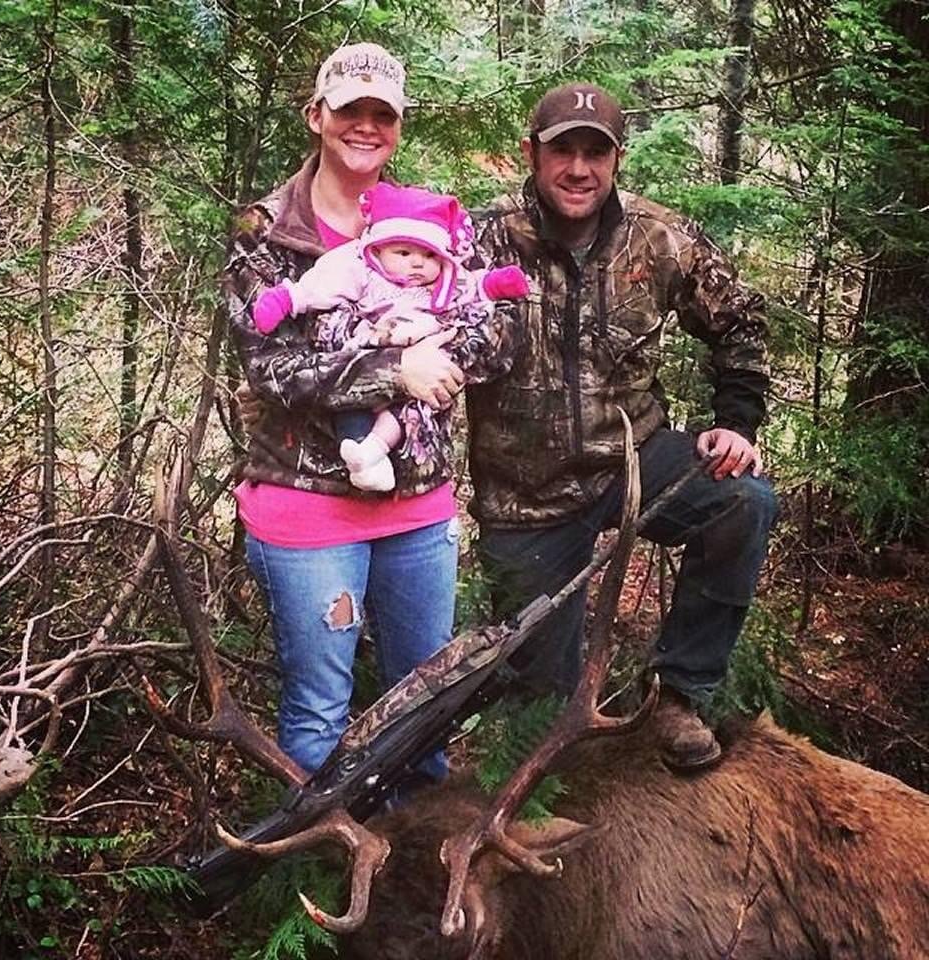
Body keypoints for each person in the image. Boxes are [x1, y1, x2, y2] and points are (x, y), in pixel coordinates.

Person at [462, 83, 779, 770]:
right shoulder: (481, 239)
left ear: (617, 159)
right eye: (563, 151)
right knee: (541, 726)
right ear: (532, 154)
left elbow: (741, 321)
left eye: (595, 153)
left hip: (635, 461)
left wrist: (736, 422)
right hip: (526, 498)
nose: (580, 169)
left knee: (743, 500)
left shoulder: (658, 237)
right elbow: (403, 311)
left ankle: (681, 694)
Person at [222, 42, 515, 780]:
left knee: (425, 713)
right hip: (306, 510)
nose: (365, 125)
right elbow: (271, 367)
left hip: (417, 509)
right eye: (350, 109)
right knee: (320, 716)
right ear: (317, 114)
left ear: (398, 126)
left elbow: (492, 336)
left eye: (381, 113)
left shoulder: (434, 224)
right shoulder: (265, 233)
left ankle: (417, 883)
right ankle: (319, 873)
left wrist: (431, 355)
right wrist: (398, 368)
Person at [250, 182, 528, 491]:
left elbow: (471, 289)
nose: (417, 262)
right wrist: (287, 299)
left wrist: (495, 284)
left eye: (428, 255)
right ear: (379, 248)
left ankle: (373, 454)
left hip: (420, 442)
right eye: (405, 252)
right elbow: (320, 288)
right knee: (353, 412)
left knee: (408, 412)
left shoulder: (440, 283)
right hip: (363, 361)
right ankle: (362, 454)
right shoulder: (360, 270)